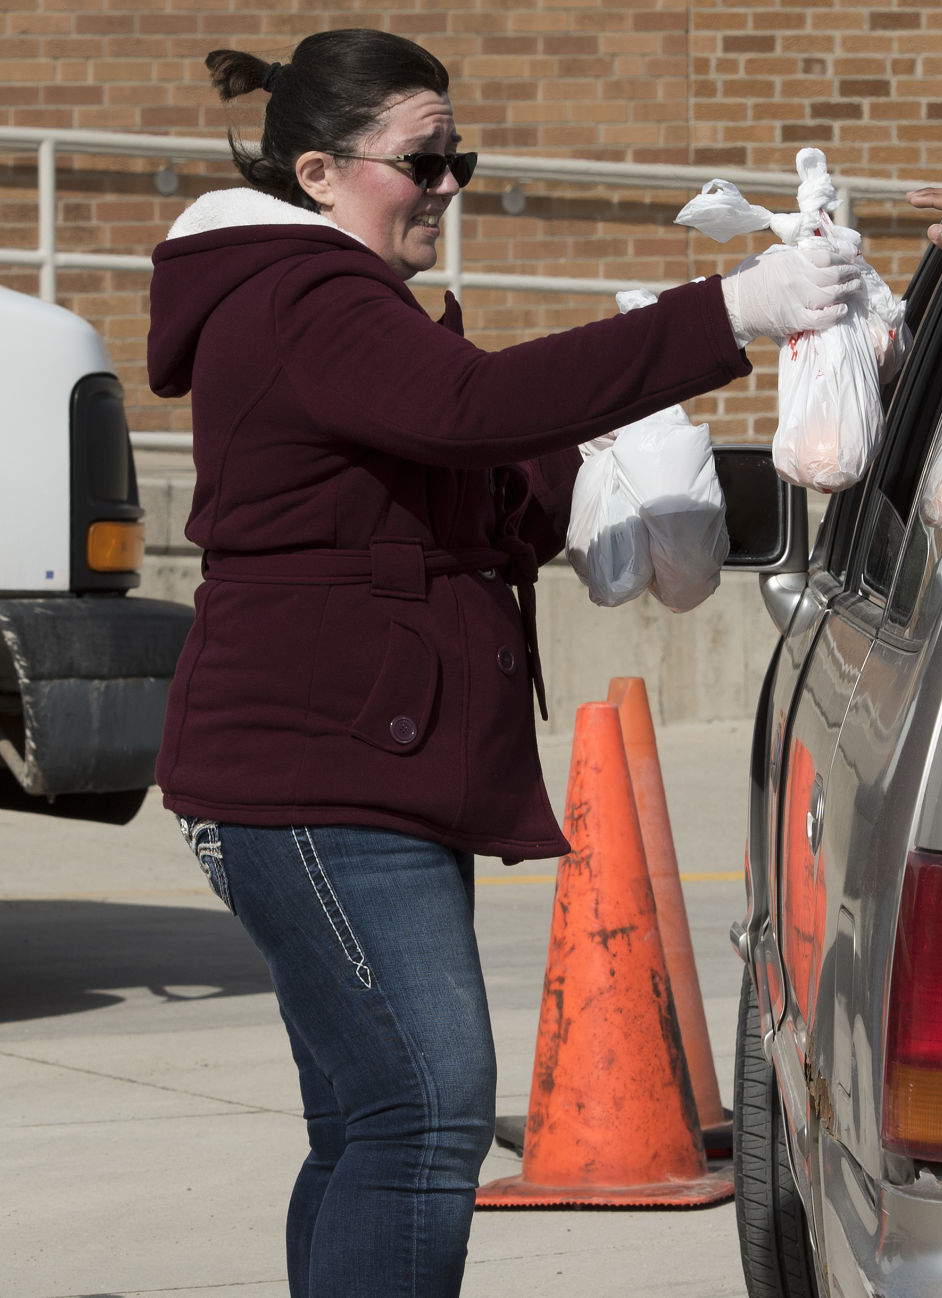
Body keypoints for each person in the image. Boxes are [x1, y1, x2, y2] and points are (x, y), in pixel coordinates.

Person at [146, 29, 860, 1298]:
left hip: (354, 764)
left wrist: (600, 488)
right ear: (318, 170)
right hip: (318, 777)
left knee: (370, 1124)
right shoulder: (301, 295)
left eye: (456, 153)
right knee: (425, 1112)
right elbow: (466, 413)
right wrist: (724, 314)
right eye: (422, 159)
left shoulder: (335, 301)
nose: (448, 184)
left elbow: (441, 469)